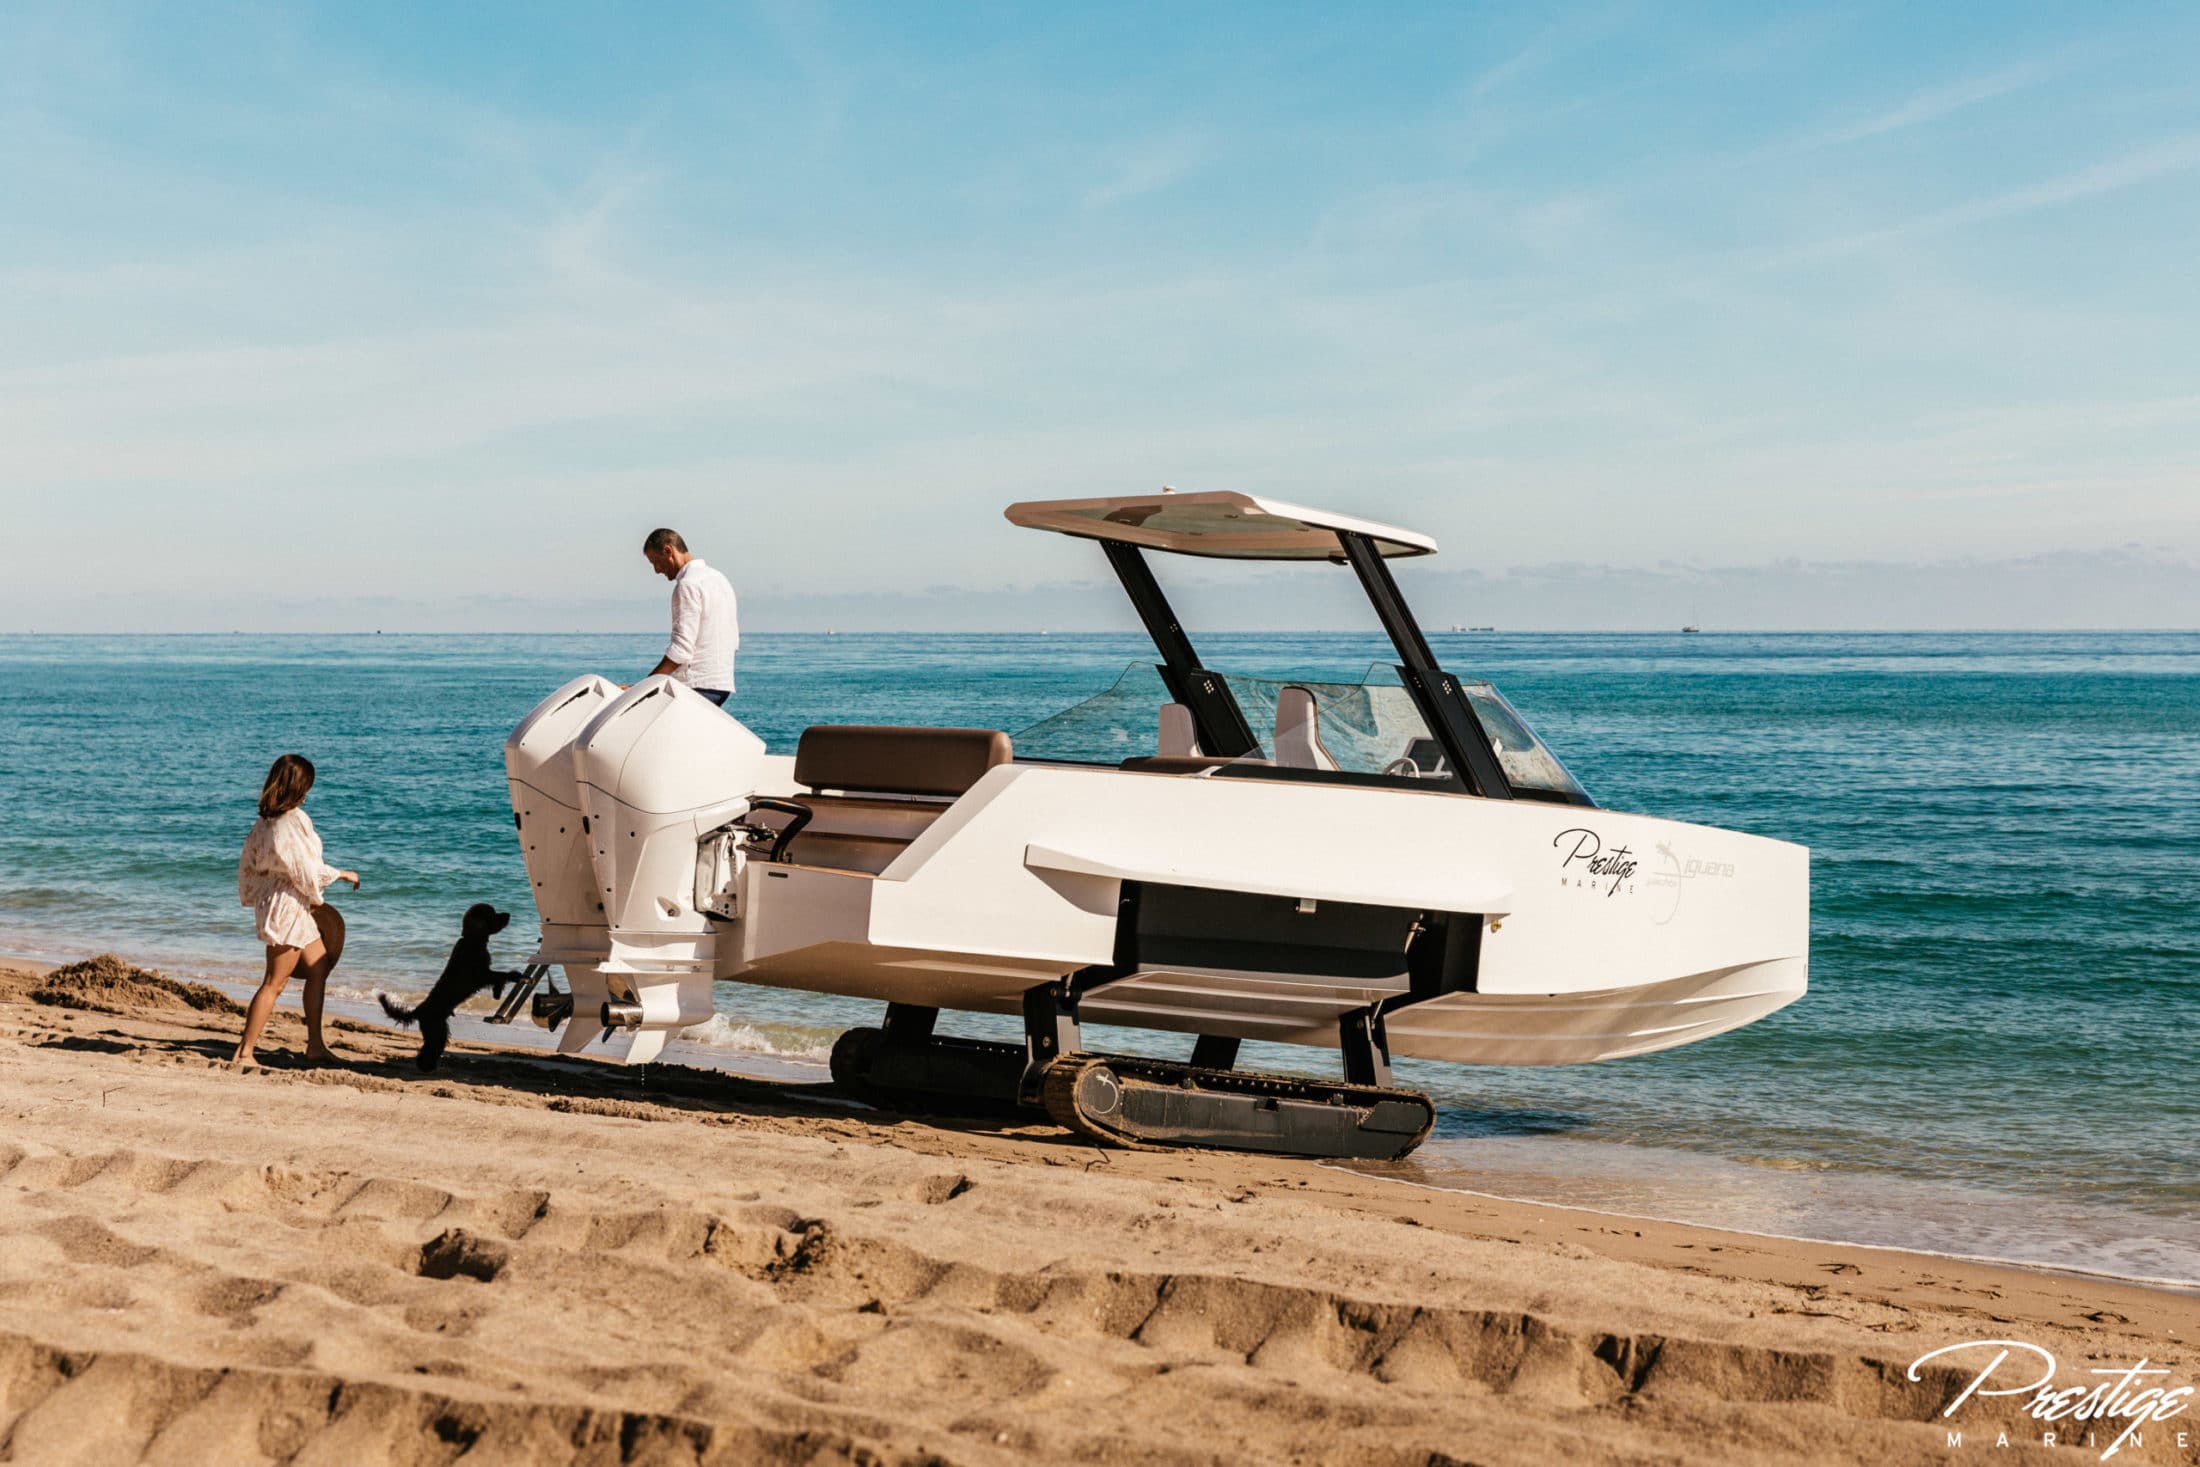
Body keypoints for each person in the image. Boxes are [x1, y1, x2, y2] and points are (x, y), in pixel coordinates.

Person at [231, 753, 359, 1068]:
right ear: (298, 787)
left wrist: (253, 897)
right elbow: (308, 872)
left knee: (318, 966)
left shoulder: (267, 821)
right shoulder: (284, 824)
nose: (309, 792)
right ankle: (244, 1052)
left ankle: (315, 1045)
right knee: (274, 982)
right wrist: (341, 874)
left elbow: (248, 866)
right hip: (287, 907)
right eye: (307, 786)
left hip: (286, 903)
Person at [640, 527, 739, 705]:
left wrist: (643, 687)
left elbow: (681, 650)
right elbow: (733, 640)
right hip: (722, 683)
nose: (656, 570)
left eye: (655, 561)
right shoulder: (719, 579)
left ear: (668, 551)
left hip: (696, 684)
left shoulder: (687, 584)